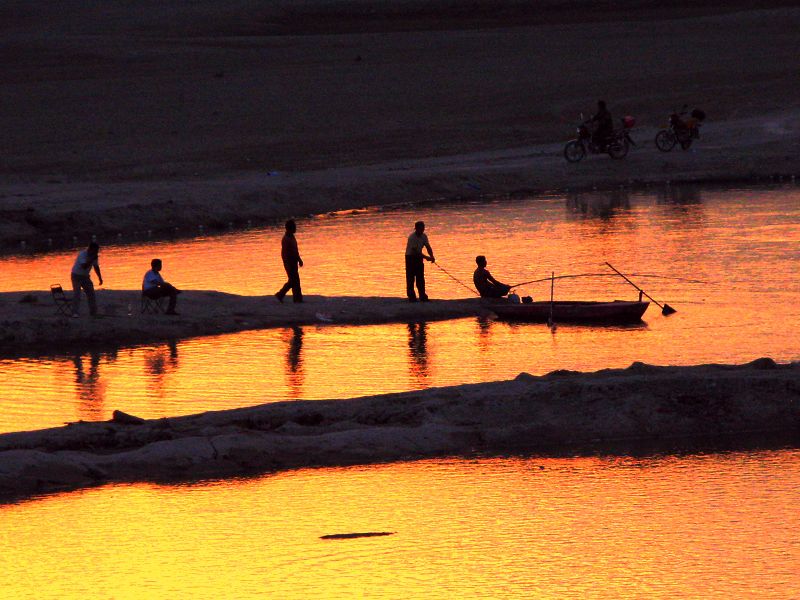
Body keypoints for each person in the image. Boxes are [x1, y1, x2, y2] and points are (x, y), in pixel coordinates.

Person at [71, 241, 103, 317]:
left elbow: (96, 266)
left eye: (97, 250)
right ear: (91, 249)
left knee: (91, 293)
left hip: (85, 277)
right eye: (95, 250)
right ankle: (74, 312)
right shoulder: (82, 254)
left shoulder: (94, 256)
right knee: (77, 294)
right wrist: (92, 259)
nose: (97, 252)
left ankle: (93, 312)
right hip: (76, 276)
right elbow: (84, 266)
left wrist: (100, 278)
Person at [405, 220, 435, 302]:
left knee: (420, 278)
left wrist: (432, 256)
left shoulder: (424, 236)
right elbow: (415, 252)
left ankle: (422, 296)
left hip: (419, 257)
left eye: (423, 228)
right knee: (411, 278)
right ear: (416, 229)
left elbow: (428, 247)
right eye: (421, 228)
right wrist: (426, 257)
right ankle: (411, 296)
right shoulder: (412, 238)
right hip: (410, 257)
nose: (423, 230)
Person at [276, 219, 303, 303]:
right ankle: (281, 294)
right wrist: (287, 264)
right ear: (290, 228)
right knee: (293, 280)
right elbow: (284, 253)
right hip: (289, 262)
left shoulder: (291, 236)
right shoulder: (286, 239)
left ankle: (297, 298)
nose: (296, 228)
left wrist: (299, 259)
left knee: (295, 280)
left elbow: (295, 250)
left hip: (293, 261)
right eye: (294, 227)